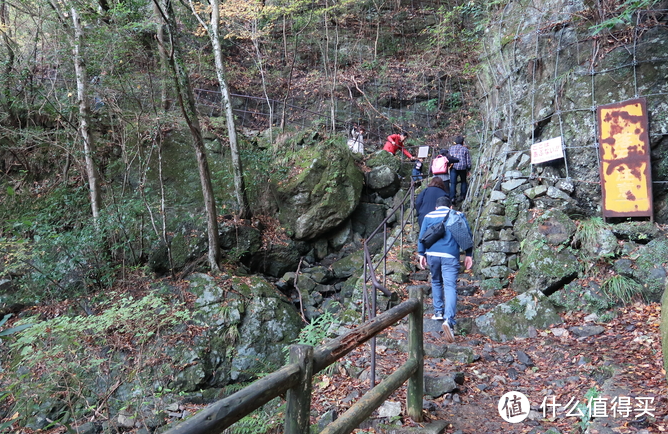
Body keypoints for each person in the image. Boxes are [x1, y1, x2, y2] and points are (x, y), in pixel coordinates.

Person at [417, 195, 473, 343]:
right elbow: (466, 235)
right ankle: (449, 320)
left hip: (432, 255)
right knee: (450, 286)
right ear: (450, 207)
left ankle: (438, 311)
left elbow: (422, 236)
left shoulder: (429, 216)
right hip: (450, 255)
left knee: (436, 281)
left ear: (436, 207)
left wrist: (421, 254)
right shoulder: (457, 214)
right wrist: (468, 255)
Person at [449, 136, 471, 203]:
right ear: (462, 142)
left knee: (453, 183)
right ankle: (462, 196)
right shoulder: (465, 149)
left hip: (453, 167)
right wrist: (469, 168)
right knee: (463, 181)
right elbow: (468, 160)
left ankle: (452, 197)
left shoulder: (451, 148)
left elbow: (449, 158)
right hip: (462, 167)